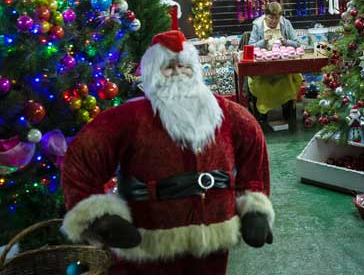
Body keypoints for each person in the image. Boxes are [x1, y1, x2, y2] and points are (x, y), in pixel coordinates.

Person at [60, 30, 274, 275]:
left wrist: (254, 209)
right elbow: (82, 159)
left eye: (185, 66)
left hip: (213, 239)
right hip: (149, 241)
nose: (179, 72)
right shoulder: (128, 119)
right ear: (153, 74)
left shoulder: (227, 114)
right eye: (169, 67)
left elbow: (253, 155)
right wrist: (100, 216)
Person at [247, 2, 302, 120]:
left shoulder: (286, 24)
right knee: (262, 84)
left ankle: (288, 113)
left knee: (288, 81)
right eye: (270, 18)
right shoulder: (258, 25)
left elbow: (297, 43)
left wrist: (286, 42)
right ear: (265, 16)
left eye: (277, 18)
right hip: (263, 70)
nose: (273, 21)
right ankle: (262, 115)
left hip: (283, 68)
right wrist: (263, 42)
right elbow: (250, 47)